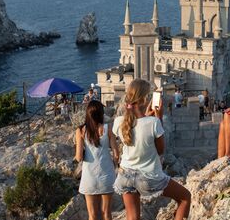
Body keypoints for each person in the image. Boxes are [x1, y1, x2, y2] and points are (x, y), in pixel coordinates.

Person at [113, 79, 191, 220]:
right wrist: (159, 117)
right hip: (148, 177)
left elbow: (136, 127)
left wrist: (148, 118)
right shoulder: (153, 123)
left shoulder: (119, 122)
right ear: (144, 100)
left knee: (132, 217)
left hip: (125, 175)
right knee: (185, 198)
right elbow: (160, 150)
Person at [75, 100, 120, 220]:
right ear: (101, 113)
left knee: (93, 215)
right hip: (107, 174)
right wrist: (115, 165)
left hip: (89, 177)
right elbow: (116, 154)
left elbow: (79, 157)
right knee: (106, 213)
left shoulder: (80, 130)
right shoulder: (108, 128)